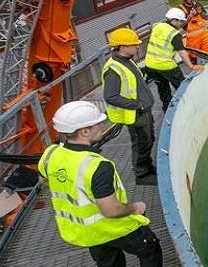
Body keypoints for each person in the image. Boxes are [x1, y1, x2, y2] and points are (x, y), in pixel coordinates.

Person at [38, 101, 163, 267]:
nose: (102, 126)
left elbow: (45, 180)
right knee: (150, 250)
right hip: (114, 228)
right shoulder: (97, 166)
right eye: (98, 123)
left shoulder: (50, 154)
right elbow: (111, 211)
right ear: (85, 131)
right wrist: (135, 207)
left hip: (87, 232)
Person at [102, 28, 157, 185]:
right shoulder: (113, 69)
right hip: (136, 114)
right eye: (134, 44)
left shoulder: (127, 61)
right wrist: (137, 105)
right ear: (123, 47)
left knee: (148, 140)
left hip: (142, 111)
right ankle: (142, 175)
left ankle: (147, 167)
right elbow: (110, 96)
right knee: (141, 143)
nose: (137, 47)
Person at [144, 8, 203, 112]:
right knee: (182, 87)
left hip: (150, 66)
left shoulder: (157, 26)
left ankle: (167, 110)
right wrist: (192, 66)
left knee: (163, 89)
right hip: (166, 66)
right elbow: (182, 52)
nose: (181, 24)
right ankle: (188, 109)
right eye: (180, 21)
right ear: (174, 20)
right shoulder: (174, 34)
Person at [177, 0, 208, 65]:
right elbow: (180, 25)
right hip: (193, 39)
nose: (191, 0)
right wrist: (189, 16)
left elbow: (206, 17)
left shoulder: (197, 4)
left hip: (204, 36)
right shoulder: (181, 9)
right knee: (193, 57)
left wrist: (200, 13)